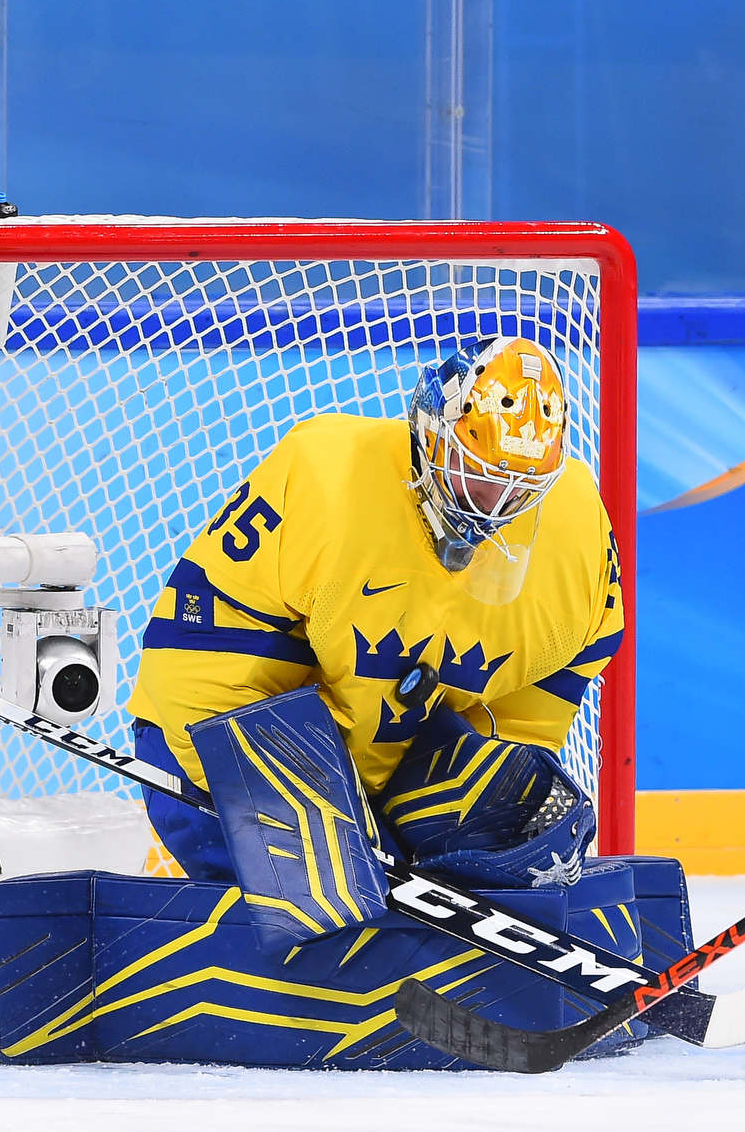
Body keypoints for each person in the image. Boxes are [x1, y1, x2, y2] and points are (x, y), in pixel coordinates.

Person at [127, 334, 625, 892]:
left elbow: (550, 688)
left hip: (393, 756)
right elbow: (203, 657)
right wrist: (312, 824)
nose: (493, 504)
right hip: (224, 726)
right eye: (478, 472)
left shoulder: (576, 528)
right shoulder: (325, 477)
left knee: (503, 830)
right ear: (433, 431)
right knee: (314, 909)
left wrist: (472, 828)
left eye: (519, 488)